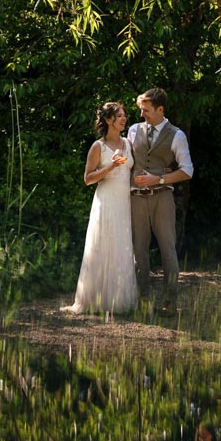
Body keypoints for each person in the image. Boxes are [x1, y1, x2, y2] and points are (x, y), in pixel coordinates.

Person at [63, 102, 138, 315]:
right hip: (106, 202)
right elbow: (88, 179)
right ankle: (94, 299)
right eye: (119, 116)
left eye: (124, 115)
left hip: (124, 202)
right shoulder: (98, 146)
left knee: (121, 246)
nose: (124, 119)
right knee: (103, 245)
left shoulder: (127, 143)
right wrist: (111, 166)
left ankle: (118, 300)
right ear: (108, 120)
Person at [127, 88, 194, 313]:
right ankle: (143, 300)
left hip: (163, 198)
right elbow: (127, 162)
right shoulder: (134, 130)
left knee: (168, 249)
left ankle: (170, 302)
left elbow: (187, 171)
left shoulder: (177, 135)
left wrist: (159, 178)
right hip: (136, 198)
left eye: (146, 110)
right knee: (139, 250)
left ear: (160, 109)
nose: (142, 114)